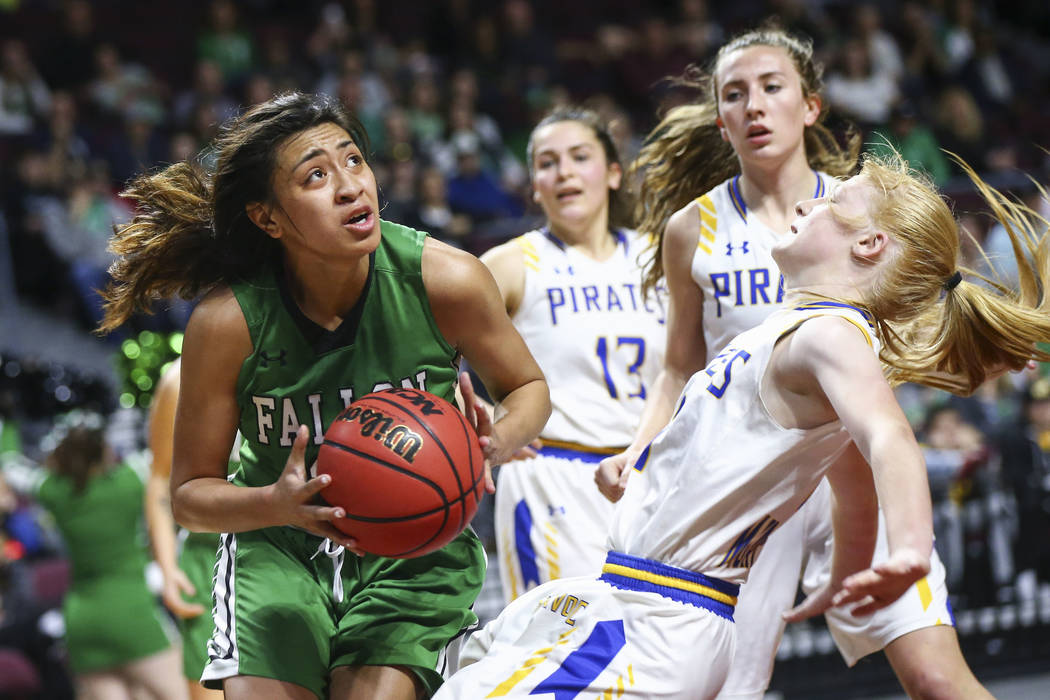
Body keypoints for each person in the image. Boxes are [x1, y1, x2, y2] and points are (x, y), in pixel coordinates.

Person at [436, 152, 1050, 699]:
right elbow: (855, 493)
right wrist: (846, 576)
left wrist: (912, 550)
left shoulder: (830, 336)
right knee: (466, 670)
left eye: (832, 202)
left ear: (868, 246)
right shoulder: (804, 335)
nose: (810, 202)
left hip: (659, 617)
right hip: (627, 598)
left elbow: (889, 440)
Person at [98, 92, 551, 700]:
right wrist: (274, 503)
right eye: (316, 175)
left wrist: (497, 437)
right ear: (268, 218)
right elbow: (188, 496)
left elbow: (528, 387)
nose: (350, 186)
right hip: (278, 548)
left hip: (410, 554)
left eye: (354, 161)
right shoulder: (228, 321)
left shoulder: (446, 279)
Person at [612, 27, 996, 699]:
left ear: (810, 106)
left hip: (845, 459)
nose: (754, 105)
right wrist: (640, 449)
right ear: (722, 122)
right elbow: (677, 368)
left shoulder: (849, 217)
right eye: (734, 94)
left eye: (771, 87)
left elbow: (882, 420)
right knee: (728, 685)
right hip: (753, 484)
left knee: (937, 679)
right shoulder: (692, 228)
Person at [481, 106, 667, 603]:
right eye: (547, 163)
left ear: (612, 173)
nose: (563, 171)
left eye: (579, 157)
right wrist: (465, 410)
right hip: (553, 479)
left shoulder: (659, 258)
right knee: (562, 655)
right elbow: (418, 345)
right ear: (534, 186)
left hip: (650, 478)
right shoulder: (511, 264)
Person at [25, 411, 188, 700]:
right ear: (104, 448)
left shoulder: (52, 491)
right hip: (132, 614)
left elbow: (12, 466)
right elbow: (164, 453)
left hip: (81, 622)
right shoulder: (129, 482)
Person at [145, 358, 224, 700]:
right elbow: (160, 478)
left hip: (293, 556)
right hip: (209, 565)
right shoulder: (179, 379)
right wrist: (167, 566)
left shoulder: (297, 360)